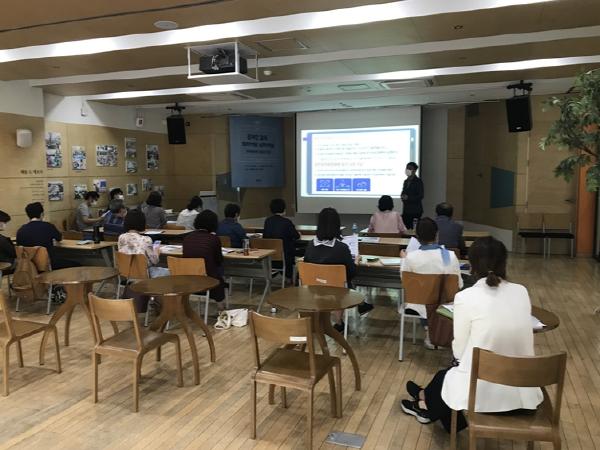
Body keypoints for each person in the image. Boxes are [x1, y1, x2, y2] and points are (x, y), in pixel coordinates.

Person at [400, 237, 543, 433]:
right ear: (504, 262)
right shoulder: (521, 292)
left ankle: (425, 405)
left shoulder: (465, 297)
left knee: (447, 377)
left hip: (483, 396)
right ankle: (424, 397)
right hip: (522, 392)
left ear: (472, 265)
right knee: (444, 377)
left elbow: (459, 352)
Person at [304, 207, 372, 332]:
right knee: (342, 283)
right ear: (337, 225)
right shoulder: (341, 248)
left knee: (338, 282)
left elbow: (306, 267)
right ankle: (341, 320)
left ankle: (345, 317)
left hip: (314, 290)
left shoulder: (310, 246)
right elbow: (351, 273)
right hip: (337, 292)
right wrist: (356, 262)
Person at [401, 217, 462, 349]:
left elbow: (406, 283)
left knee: (424, 298)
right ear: (437, 234)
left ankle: (429, 330)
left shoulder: (410, 257)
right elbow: (459, 284)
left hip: (419, 305)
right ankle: (440, 333)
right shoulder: (450, 256)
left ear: (417, 237)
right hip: (445, 305)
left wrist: (403, 260)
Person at [182, 210, 226, 308]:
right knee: (219, 274)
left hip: (187, 279)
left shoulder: (187, 238)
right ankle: (221, 308)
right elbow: (219, 260)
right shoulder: (214, 239)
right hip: (208, 279)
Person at [16, 202, 78, 269]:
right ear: (42, 214)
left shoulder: (21, 230)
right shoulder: (48, 226)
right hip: (48, 263)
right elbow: (59, 238)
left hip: (30, 266)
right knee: (77, 264)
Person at [117, 209, 169, 279]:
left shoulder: (121, 237)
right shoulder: (146, 239)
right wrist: (157, 251)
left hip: (127, 273)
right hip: (145, 274)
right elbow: (155, 261)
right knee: (171, 271)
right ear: (142, 222)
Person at [263, 199, 300, 281]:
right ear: (284, 209)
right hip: (285, 256)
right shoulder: (287, 222)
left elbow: (265, 236)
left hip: (270, 256)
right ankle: (291, 278)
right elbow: (296, 236)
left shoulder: (267, 221)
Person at [401, 162, 424, 229]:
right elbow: (403, 192)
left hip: (415, 210)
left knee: (414, 230)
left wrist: (408, 198)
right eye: (407, 168)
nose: (407, 170)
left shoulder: (418, 181)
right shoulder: (406, 181)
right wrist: (402, 196)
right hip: (406, 210)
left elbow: (421, 196)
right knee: (406, 229)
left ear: (415, 170)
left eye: (410, 168)